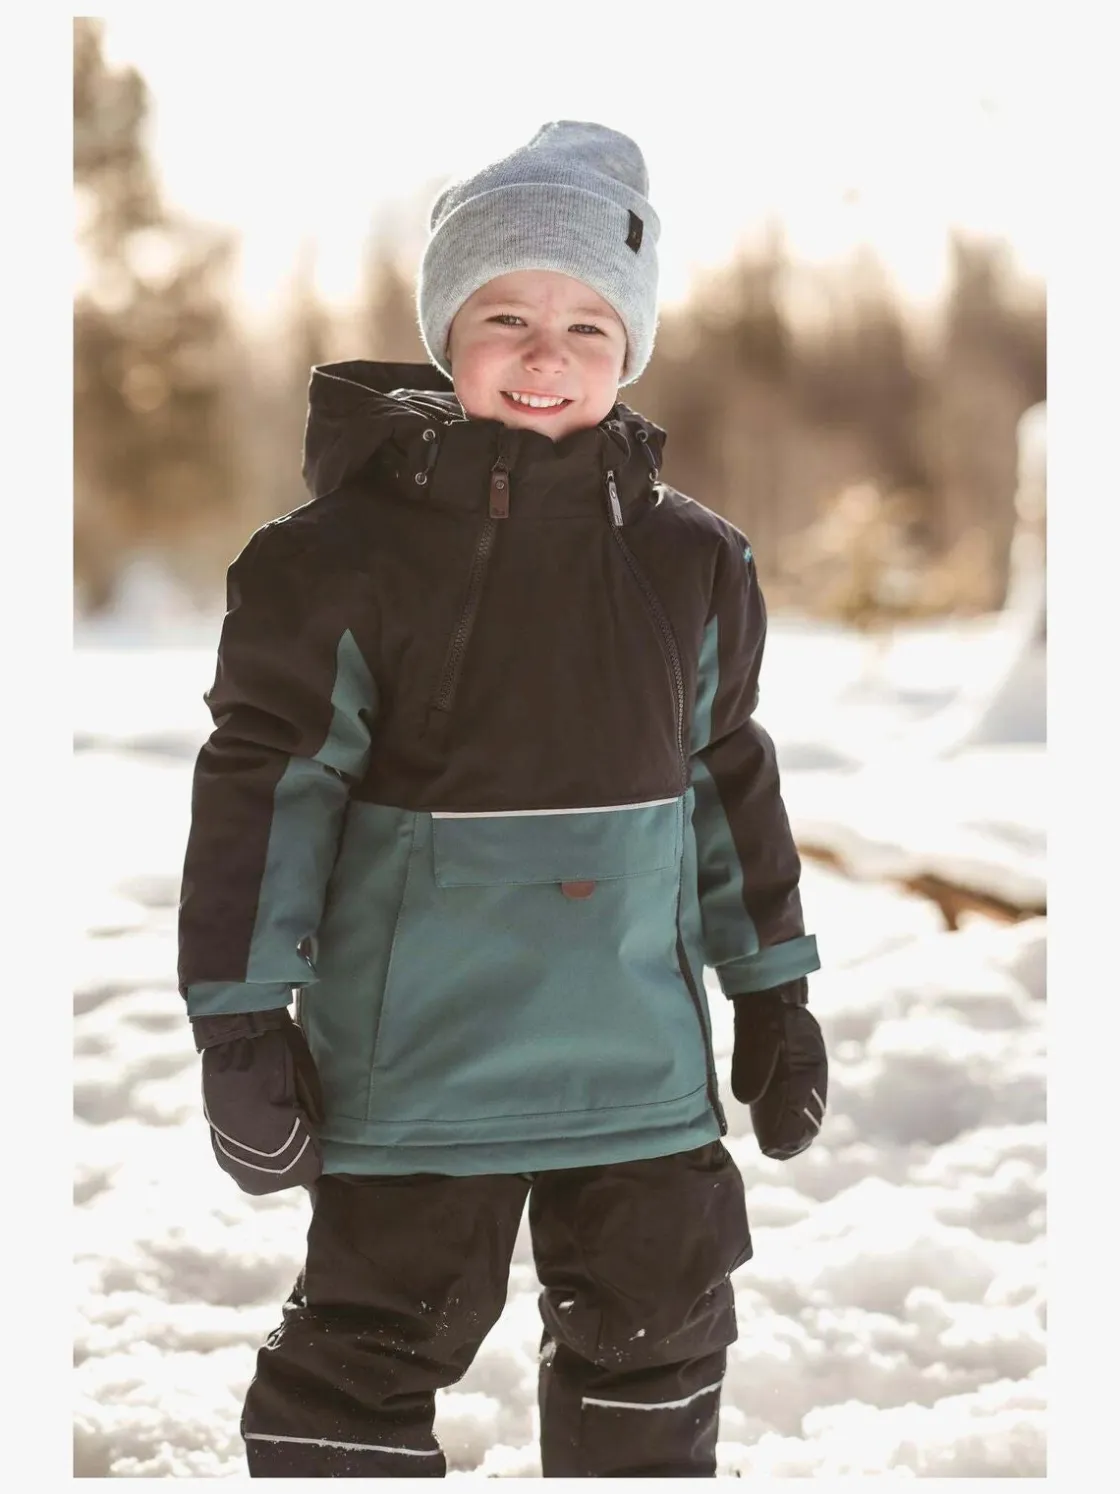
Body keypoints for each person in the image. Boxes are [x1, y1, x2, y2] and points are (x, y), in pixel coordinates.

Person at [178, 120, 827, 1479]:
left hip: (638, 1071)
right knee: (361, 1361)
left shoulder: (693, 562)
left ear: (631, 348)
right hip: (419, 1070)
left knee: (660, 1339)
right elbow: (267, 790)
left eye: (590, 324)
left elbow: (727, 775)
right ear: (445, 333)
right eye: (507, 317)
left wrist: (774, 988)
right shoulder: (334, 564)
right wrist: (240, 1024)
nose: (547, 355)